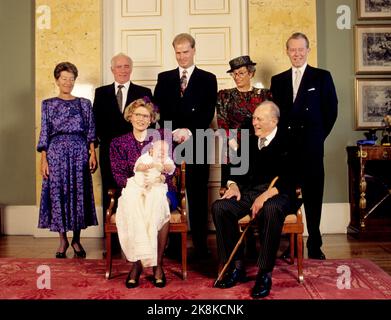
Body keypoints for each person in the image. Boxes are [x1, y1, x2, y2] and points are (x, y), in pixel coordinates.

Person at [212, 101, 295, 299]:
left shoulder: (289, 140)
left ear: (273, 121)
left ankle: (264, 274)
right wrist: (233, 185)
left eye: (259, 119)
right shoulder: (249, 140)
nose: (254, 122)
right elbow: (235, 169)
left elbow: (294, 177)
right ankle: (236, 266)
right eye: (254, 118)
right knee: (220, 207)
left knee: (270, 210)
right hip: (249, 193)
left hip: (278, 193)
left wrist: (265, 196)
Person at [270, 32, 338, 260]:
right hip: (287, 150)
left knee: (313, 194)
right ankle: (292, 242)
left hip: (311, 148)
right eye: (292, 49)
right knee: (288, 195)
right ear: (287, 51)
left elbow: (331, 111)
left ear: (308, 50)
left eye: (301, 49)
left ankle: (315, 244)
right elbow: (276, 115)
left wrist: (317, 137)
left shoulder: (322, 77)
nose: (297, 53)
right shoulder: (278, 81)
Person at [154, 33, 218, 259]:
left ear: (194, 50)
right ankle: (169, 243)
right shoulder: (164, 78)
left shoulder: (208, 78)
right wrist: (173, 131)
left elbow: (208, 111)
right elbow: (158, 111)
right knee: (168, 191)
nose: (182, 56)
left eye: (186, 52)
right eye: (178, 52)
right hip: (170, 142)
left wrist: (188, 130)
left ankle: (201, 244)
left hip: (198, 140)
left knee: (198, 193)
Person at [110, 98, 175, 288]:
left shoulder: (161, 137)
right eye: (137, 114)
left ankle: (157, 264)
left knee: (158, 202)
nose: (141, 119)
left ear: (151, 119)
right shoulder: (118, 143)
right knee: (134, 205)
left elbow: (172, 167)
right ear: (130, 116)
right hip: (134, 188)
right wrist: (138, 185)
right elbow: (118, 173)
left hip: (160, 187)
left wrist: (161, 179)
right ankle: (136, 265)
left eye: (145, 116)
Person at [37, 62, 98, 259]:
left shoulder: (84, 103)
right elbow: (44, 133)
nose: (68, 82)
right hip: (55, 153)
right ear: (57, 80)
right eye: (64, 78)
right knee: (59, 195)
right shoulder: (47, 104)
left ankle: (77, 239)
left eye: (71, 78)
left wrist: (92, 154)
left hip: (79, 152)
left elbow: (90, 131)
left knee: (78, 193)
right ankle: (62, 239)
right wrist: (43, 160)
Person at [93, 53, 153, 216]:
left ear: (131, 69)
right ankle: (111, 239)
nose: (123, 70)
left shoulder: (144, 92)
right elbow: (95, 123)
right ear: (112, 69)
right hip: (108, 151)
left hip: (136, 150)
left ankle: (136, 234)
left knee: (135, 190)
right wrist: (93, 151)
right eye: (119, 66)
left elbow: (151, 122)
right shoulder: (101, 93)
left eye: (126, 66)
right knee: (110, 191)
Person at [216, 55, 272, 188]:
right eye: (234, 74)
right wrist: (235, 146)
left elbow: (270, 121)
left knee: (258, 187)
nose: (237, 77)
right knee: (233, 188)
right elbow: (222, 122)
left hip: (259, 146)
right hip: (233, 147)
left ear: (251, 73)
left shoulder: (265, 95)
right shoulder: (224, 95)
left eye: (241, 73)